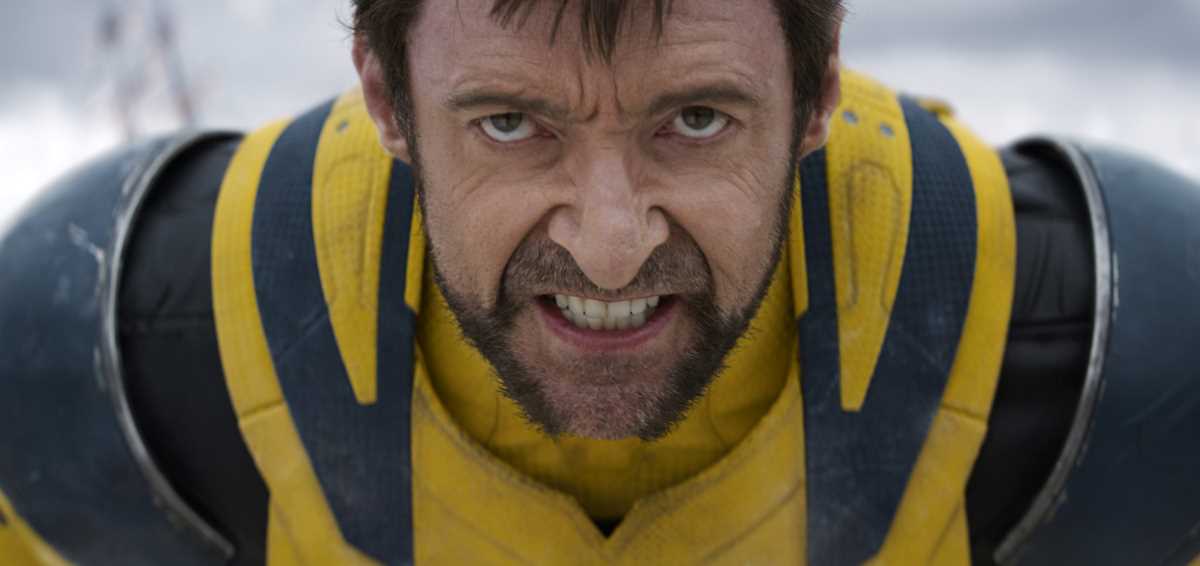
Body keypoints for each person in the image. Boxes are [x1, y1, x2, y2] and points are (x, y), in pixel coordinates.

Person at [1, 1, 1198, 564]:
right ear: (386, 97)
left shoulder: (1112, 351)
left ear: (819, 86)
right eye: (511, 123)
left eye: (696, 118)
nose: (611, 245)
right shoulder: (129, 350)